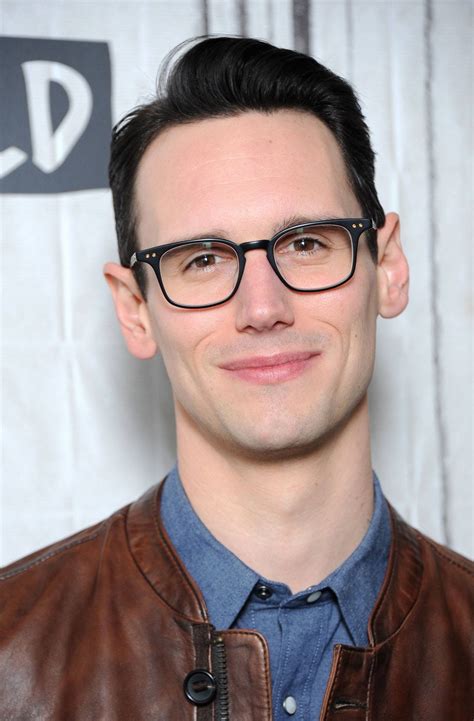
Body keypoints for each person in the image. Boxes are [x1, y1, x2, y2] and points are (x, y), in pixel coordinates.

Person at [0, 36, 472, 721]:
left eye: (306, 243)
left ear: (388, 268)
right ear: (135, 310)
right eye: (202, 260)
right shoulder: (10, 655)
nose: (262, 308)